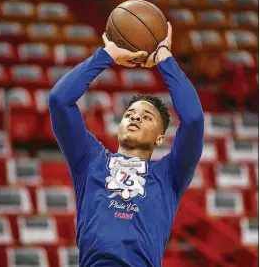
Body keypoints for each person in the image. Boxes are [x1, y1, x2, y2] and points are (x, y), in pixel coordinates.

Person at [49, 22, 204, 267]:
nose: (134, 118)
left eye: (146, 117)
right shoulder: (89, 159)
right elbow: (59, 100)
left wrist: (164, 58)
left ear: (160, 138)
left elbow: (193, 119)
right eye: (130, 113)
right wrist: (106, 55)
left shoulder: (169, 174)